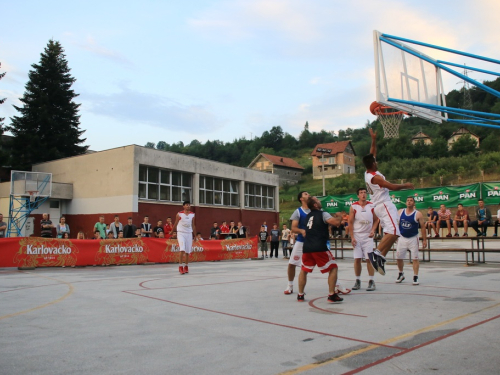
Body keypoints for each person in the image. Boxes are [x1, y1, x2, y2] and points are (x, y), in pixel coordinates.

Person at [364, 128, 414, 276]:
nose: (377, 161)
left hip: (379, 206)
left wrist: (373, 139)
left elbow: (372, 152)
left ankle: (380, 257)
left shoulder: (368, 172)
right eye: (375, 161)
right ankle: (376, 253)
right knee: (393, 231)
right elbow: (391, 186)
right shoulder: (375, 178)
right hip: (384, 204)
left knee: (394, 232)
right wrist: (406, 185)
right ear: (373, 164)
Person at [297, 196, 343, 303]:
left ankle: (300, 295)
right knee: (333, 268)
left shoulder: (308, 216)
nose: (319, 201)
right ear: (315, 205)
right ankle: (332, 295)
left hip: (307, 247)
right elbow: (335, 223)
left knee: (304, 270)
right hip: (319, 247)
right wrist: (340, 216)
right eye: (318, 200)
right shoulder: (323, 214)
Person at [348, 187, 379, 292]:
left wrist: (373, 230)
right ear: (358, 195)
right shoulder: (354, 207)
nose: (363, 194)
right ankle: (357, 280)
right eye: (361, 193)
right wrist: (352, 237)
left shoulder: (371, 205)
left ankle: (371, 281)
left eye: (365, 192)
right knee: (357, 259)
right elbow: (350, 223)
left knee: (369, 259)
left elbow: (376, 220)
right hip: (357, 235)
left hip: (368, 236)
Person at [395, 196, 427, 285]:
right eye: (408, 200)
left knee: (415, 258)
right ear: (406, 202)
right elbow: (396, 224)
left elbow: (423, 227)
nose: (409, 202)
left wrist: (424, 240)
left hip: (413, 238)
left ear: (414, 203)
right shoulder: (400, 212)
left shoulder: (418, 214)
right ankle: (401, 273)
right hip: (402, 237)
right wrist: (395, 236)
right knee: (398, 258)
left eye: (411, 201)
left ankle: (415, 276)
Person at [284, 191, 311, 295]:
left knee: (327, 264)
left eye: (308, 194)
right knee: (292, 264)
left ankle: (336, 285)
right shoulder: (298, 212)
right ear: (301, 198)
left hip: (315, 242)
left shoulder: (316, 210)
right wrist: (302, 231)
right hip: (301, 241)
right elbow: (294, 228)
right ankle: (290, 285)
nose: (308, 195)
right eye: (306, 194)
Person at [170, 201, 196, 275]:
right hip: (181, 233)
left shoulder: (192, 214)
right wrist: (172, 231)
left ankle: (186, 266)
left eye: (189, 205)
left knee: (187, 251)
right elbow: (175, 223)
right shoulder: (179, 214)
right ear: (183, 206)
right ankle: (180, 266)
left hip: (189, 233)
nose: (188, 206)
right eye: (186, 205)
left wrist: (195, 235)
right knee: (182, 249)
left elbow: (193, 225)